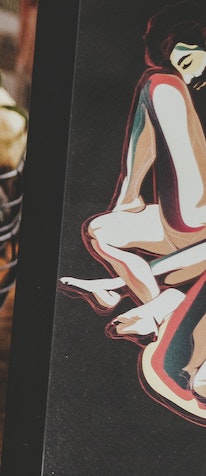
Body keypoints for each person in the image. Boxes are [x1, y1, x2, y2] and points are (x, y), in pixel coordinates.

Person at [60, 1, 206, 342]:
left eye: (187, 61)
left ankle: (134, 294)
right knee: (101, 231)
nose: (190, 76)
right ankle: (159, 305)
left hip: (196, 221)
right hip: (190, 229)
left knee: (159, 85)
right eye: (181, 68)